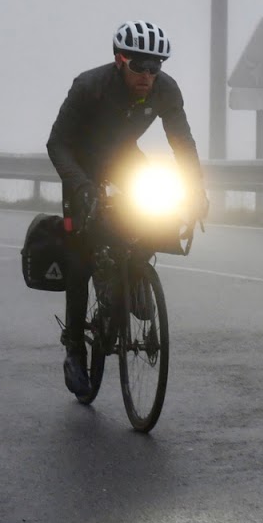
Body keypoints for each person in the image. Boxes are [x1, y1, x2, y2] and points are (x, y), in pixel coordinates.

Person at [46, 20, 205, 398]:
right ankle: (74, 351)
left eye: (155, 68)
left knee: (152, 216)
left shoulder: (166, 91)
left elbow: (182, 142)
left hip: (123, 161)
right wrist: (81, 186)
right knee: (81, 258)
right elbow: (57, 144)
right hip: (81, 167)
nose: (147, 76)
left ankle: (133, 274)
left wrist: (196, 190)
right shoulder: (89, 87)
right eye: (139, 67)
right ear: (120, 60)